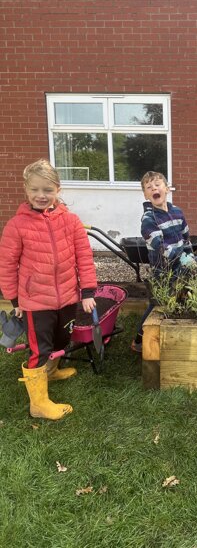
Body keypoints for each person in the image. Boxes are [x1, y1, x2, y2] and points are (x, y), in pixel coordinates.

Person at [0, 159, 97, 420]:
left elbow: (84, 257)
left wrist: (87, 291)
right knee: (39, 349)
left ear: (58, 189)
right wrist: (14, 298)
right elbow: (6, 264)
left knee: (61, 340)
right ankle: (39, 404)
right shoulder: (17, 226)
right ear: (25, 190)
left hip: (66, 297)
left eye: (47, 190)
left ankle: (51, 372)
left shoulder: (71, 221)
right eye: (35, 190)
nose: (41, 195)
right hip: (35, 302)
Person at [131, 171, 196, 353]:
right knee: (157, 303)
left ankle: (174, 333)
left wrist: (189, 255)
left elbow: (186, 238)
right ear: (145, 195)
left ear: (167, 189)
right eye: (149, 188)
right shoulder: (149, 219)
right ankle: (139, 339)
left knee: (182, 295)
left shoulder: (177, 212)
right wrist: (181, 257)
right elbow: (160, 247)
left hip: (181, 265)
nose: (154, 189)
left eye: (158, 185)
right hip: (162, 270)